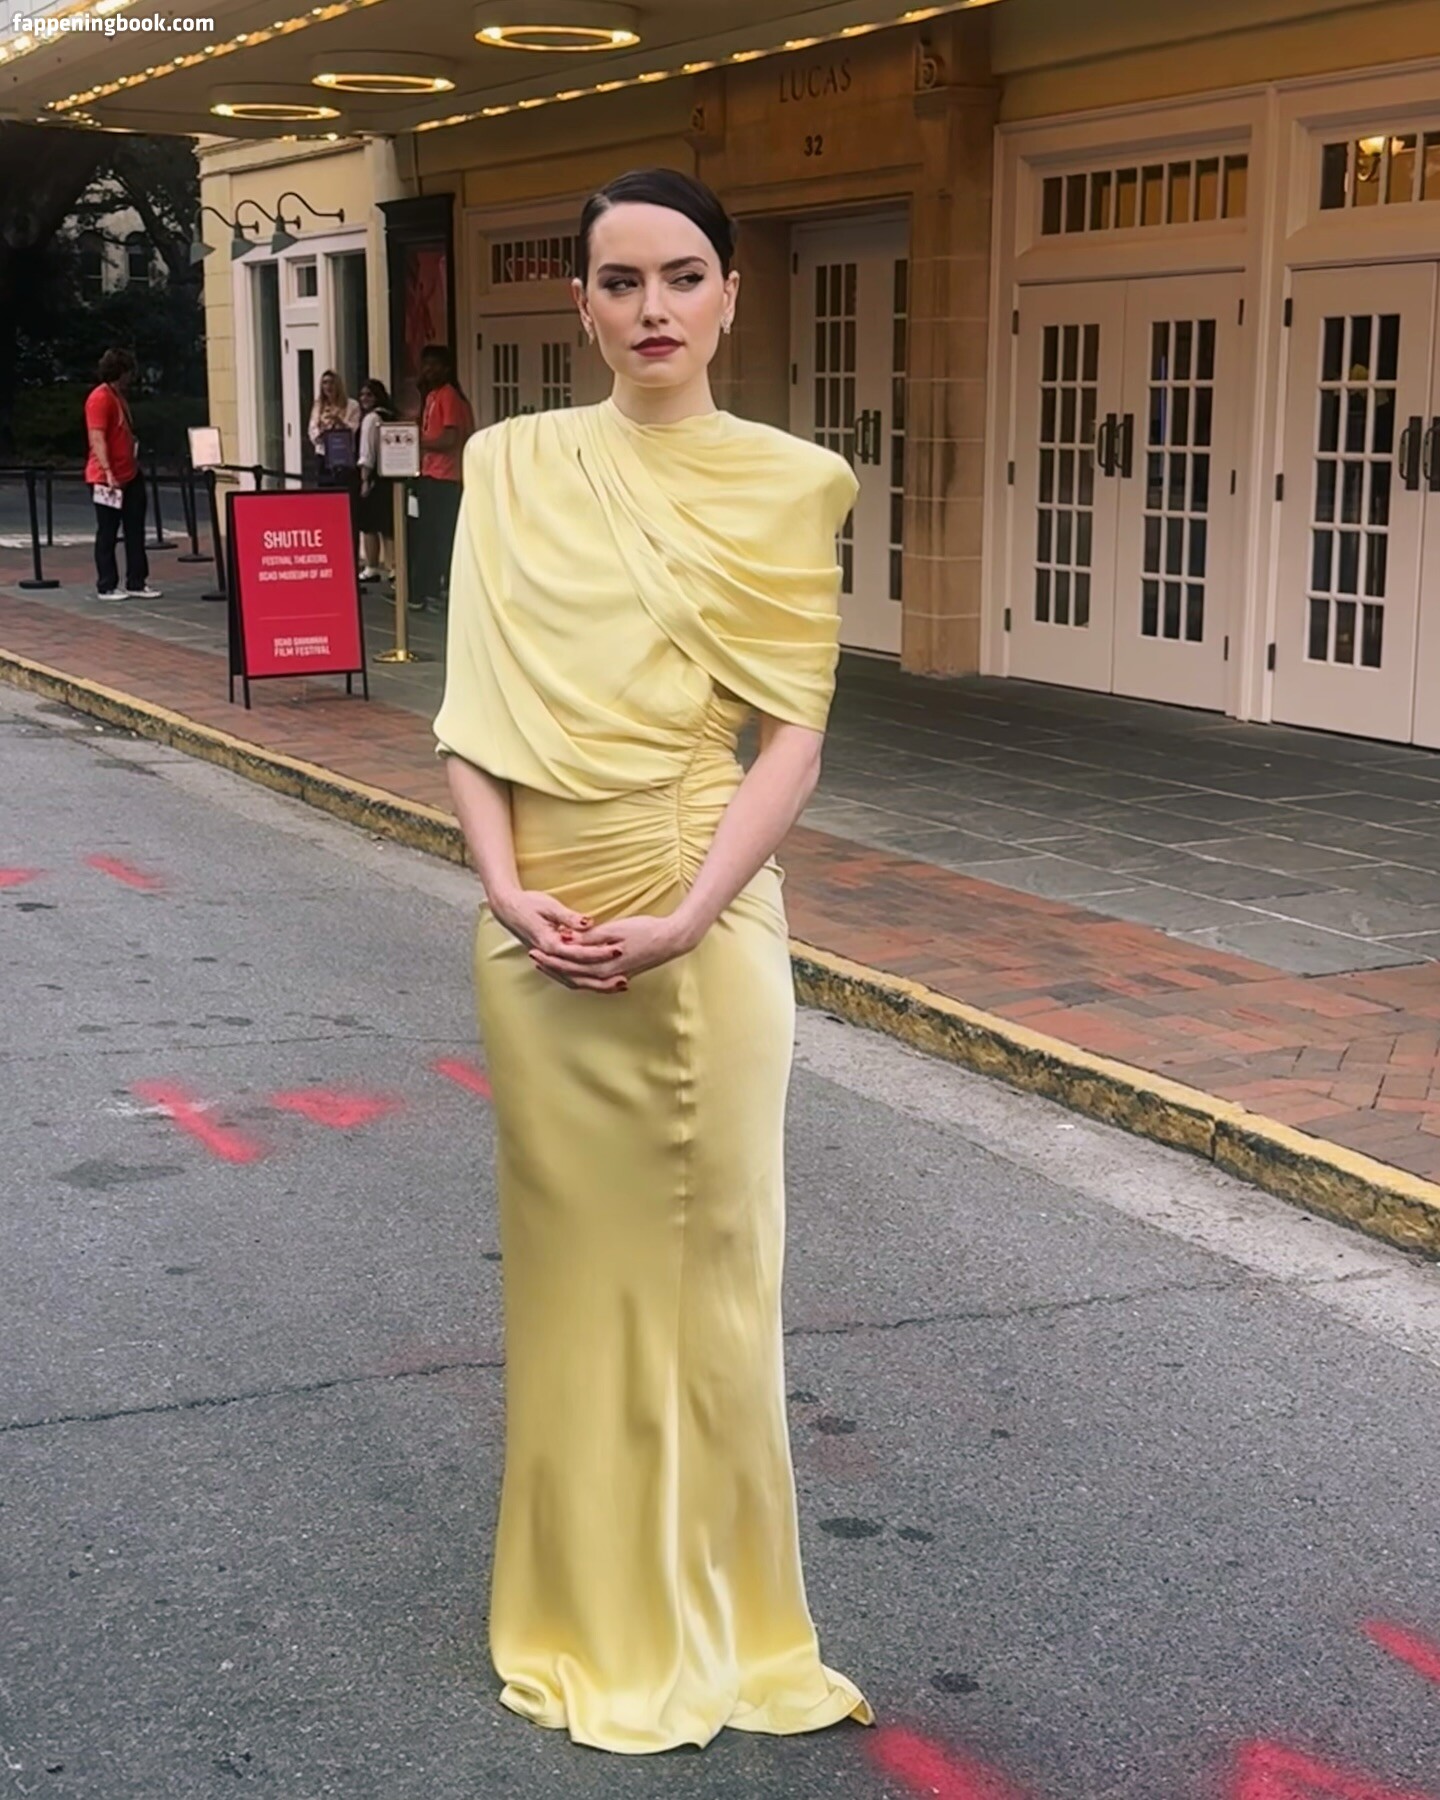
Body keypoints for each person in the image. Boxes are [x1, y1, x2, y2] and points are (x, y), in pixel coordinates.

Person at [433, 167, 871, 1754]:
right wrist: (501, 887)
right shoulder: (512, 464)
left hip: (705, 919)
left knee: (716, 1293)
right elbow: (470, 716)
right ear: (582, 304)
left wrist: (689, 912)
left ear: (732, 294)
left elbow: (792, 739)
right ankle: (591, 1616)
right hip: (537, 932)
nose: (654, 308)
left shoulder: (793, 483)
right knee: (577, 1293)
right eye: (620, 282)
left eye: (683, 276)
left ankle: (729, 1622)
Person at [84, 347, 160, 601]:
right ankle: (106, 584)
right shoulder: (100, 398)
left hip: (129, 471)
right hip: (107, 475)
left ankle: (136, 580)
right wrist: (108, 471)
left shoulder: (117, 397)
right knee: (108, 530)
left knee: (134, 528)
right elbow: (97, 437)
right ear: (122, 372)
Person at [413, 343, 473, 611]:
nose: (427, 370)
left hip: (445, 477)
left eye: (433, 365)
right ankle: (426, 589)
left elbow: (450, 437)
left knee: (440, 537)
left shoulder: (448, 395)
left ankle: (441, 589)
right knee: (427, 536)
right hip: (430, 474)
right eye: (425, 365)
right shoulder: (432, 396)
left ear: (446, 368)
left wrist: (418, 443)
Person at [355, 377, 395, 583]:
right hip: (391, 475)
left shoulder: (371, 419)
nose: (364, 398)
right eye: (362, 394)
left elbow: (367, 452)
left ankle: (371, 566)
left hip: (374, 476)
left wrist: (364, 479)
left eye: (369, 394)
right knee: (389, 526)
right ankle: (393, 566)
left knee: (369, 525)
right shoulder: (391, 416)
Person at [307, 370, 360, 490]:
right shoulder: (318, 405)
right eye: (325, 383)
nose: (328, 386)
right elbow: (312, 431)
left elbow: (354, 430)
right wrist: (322, 431)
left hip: (343, 455)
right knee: (325, 491)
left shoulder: (352, 405)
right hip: (323, 454)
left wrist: (339, 421)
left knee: (343, 490)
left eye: (331, 382)